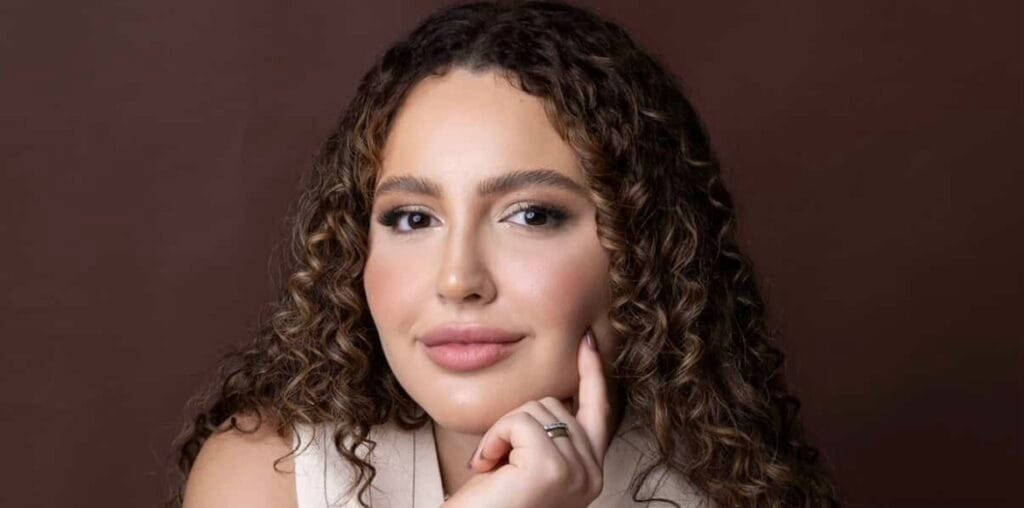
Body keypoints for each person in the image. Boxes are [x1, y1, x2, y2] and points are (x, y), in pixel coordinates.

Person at [168, 1, 839, 507]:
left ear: (643, 248)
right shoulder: (271, 477)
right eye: (412, 217)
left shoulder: (720, 494)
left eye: (531, 215)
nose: (458, 278)